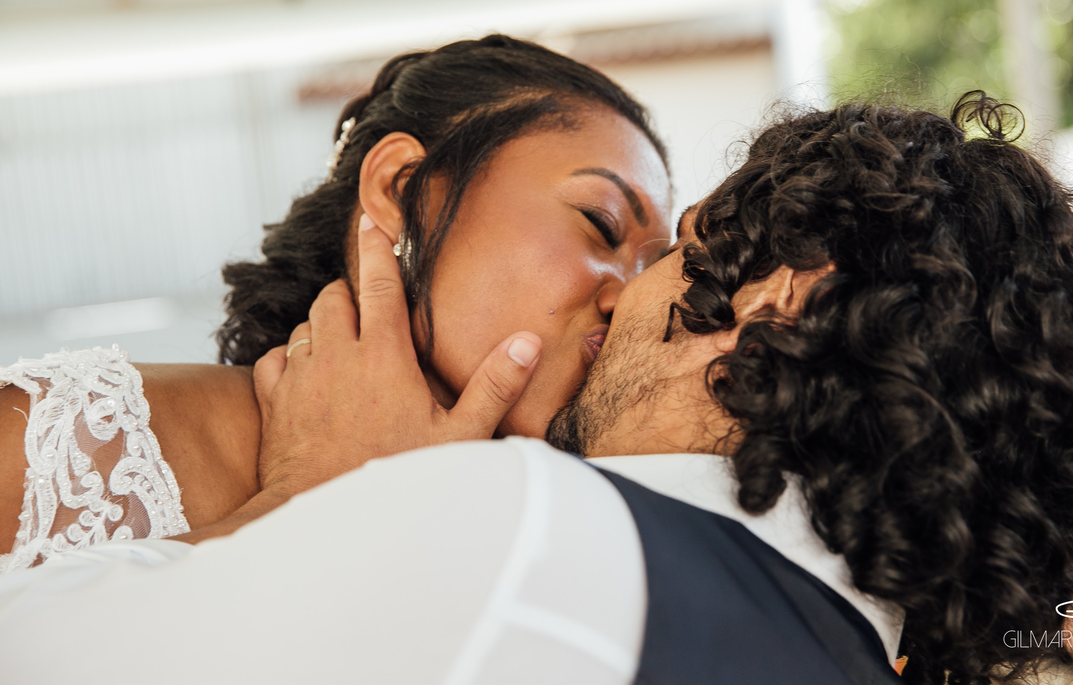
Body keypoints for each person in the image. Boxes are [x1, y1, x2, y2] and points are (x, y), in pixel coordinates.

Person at [0, 95, 1073, 685]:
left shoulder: (506, 525)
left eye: (668, 242)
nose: (617, 295)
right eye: (596, 225)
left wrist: (322, 494)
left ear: (780, 298)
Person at [0, 35, 672, 573]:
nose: (630, 295)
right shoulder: (68, 440)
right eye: (602, 223)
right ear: (402, 187)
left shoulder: (570, 532)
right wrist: (306, 500)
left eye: (654, 269)